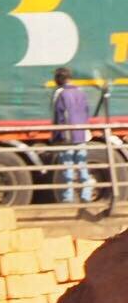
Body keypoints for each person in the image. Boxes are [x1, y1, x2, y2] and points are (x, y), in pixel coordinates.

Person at [50, 66, 97, 205]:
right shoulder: (81, 92)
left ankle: (68, 196)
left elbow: (59, 116)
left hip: (67, 136)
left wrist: (56, 136)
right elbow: (86, 111)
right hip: (81, 133)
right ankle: (86, 194)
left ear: (58, 79)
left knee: (68, 166)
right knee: (82, 164)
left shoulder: (60, 93)